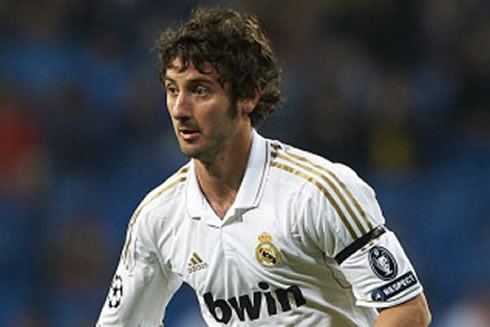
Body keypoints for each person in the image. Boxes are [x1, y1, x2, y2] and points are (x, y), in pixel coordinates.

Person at [97, 6, 431, 327]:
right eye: (172, 90)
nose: (180, 109)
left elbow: (408, 310)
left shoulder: (317, 192)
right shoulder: (158, 217)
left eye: (200, 90)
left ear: (248, 96)